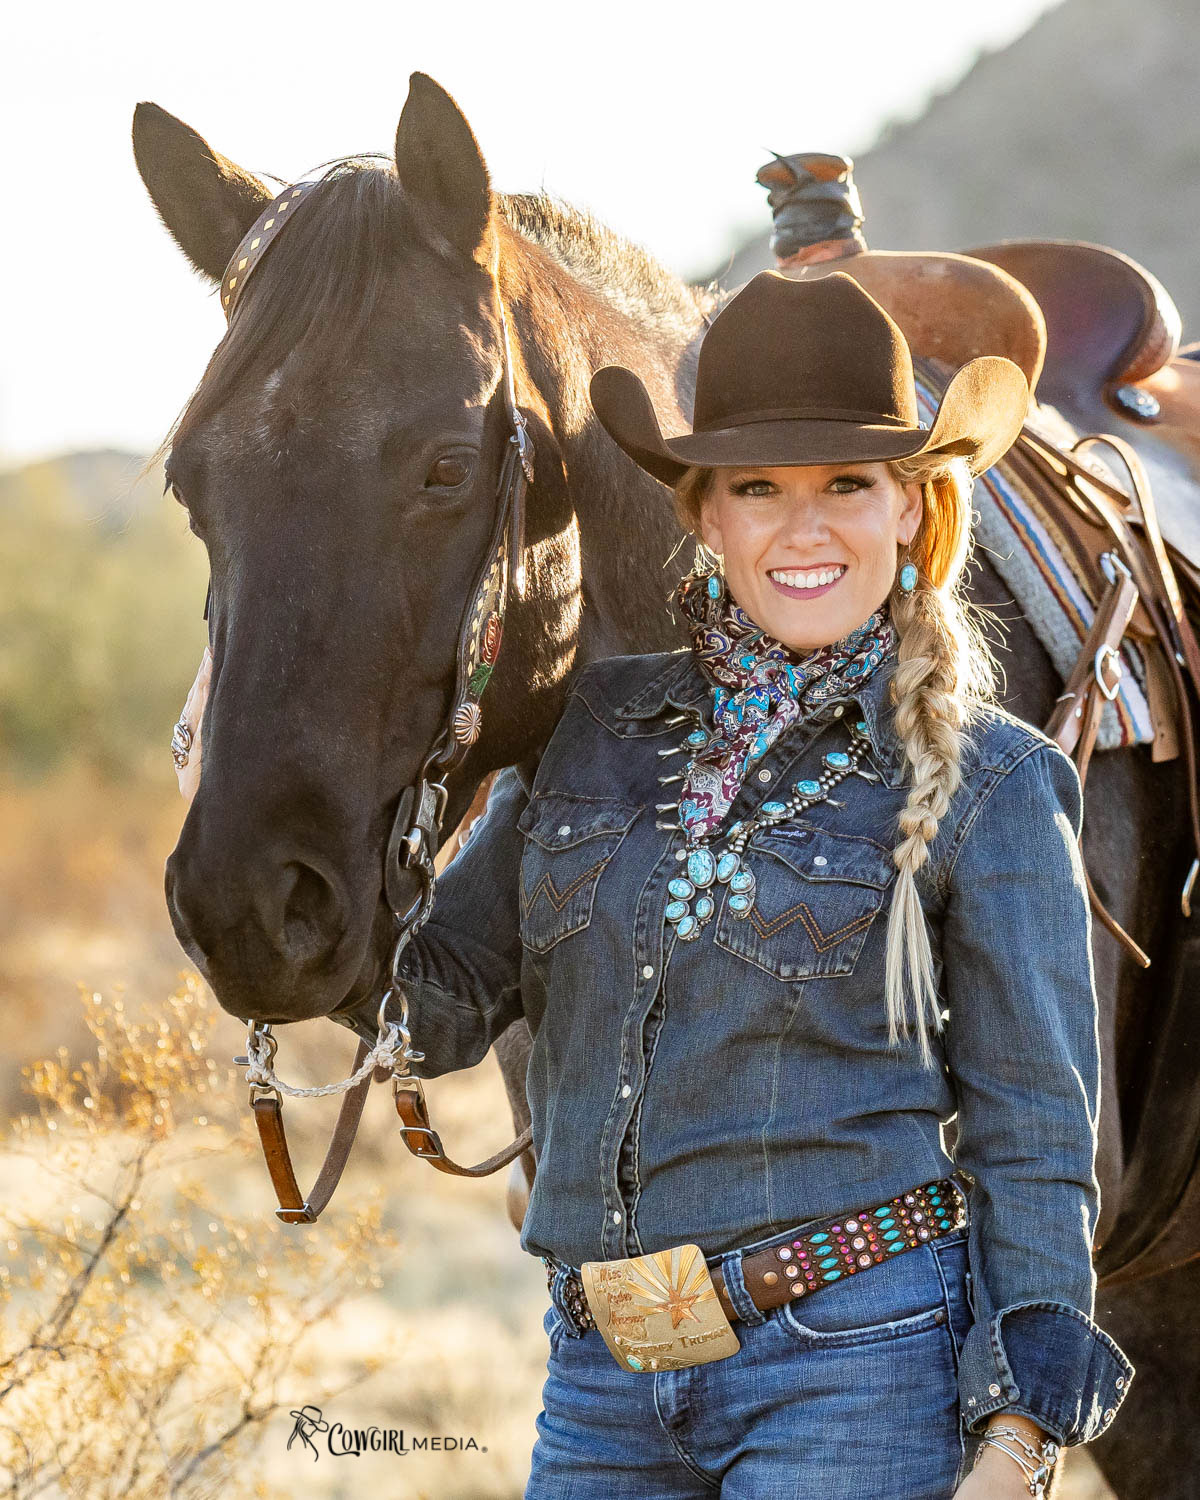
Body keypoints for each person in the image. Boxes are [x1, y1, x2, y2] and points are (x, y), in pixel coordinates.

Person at [178, 271, 1135, 1496]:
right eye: (758, 489)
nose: (805, 529)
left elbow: (1037, 1132)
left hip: (856, 1364)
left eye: (848, 483)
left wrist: (1018, 1435)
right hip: (602, 1375)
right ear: (705, 516)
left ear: (910, 508)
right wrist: (278, 863)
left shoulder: (993, 782)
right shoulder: (592, 733)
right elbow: (442, 1002)